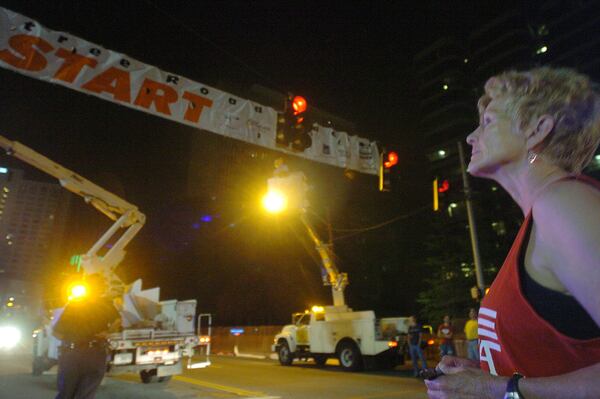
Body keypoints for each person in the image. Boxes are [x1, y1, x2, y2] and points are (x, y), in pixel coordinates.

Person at [425, 67, 600, 398]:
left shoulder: (564, 205)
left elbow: (510, 391)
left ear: (537, 130)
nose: (471, 136)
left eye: (488, 122)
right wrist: (489, 373)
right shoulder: (541, 218)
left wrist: (500, 388)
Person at [52, 274, 120, 399]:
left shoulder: (73, 305)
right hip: (95, 353)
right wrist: (108, 332)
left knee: (66, 393)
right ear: (100, 288)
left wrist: (72, 341)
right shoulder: (106, 305)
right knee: (86, 394)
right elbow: (118, 321)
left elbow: (56, 332)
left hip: (72, 353)